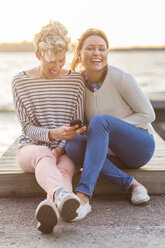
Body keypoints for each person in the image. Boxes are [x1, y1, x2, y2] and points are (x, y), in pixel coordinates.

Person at [65, 28, 156, 221]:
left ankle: (83, 197)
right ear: (79, 53)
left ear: (107, 53)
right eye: (90, 48)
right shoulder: (78, 84)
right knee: (72, 145)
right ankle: (133, 185)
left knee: (100, 121)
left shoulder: (120, 78)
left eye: (101, 49)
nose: (97, 53)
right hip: (109, 153)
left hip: (139, 146)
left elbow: (148, 114)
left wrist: (108, 128)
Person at [12, 21, 86, 233]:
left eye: (62, 60)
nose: (56, 67)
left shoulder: (75, 82)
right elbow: (26, 127)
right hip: (31, 148)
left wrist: (61, 146)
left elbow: (77, 123)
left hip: (67, 147)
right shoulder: (20, 81)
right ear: (38, 55)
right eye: (51, 61)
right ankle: (61, 195)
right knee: (44, 153)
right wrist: (51, 135)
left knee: (63, 168)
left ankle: (51, 210)